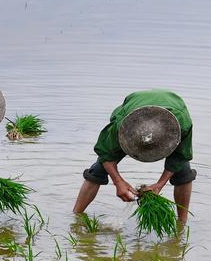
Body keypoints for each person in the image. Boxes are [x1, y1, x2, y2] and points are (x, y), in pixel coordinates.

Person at [72, 90, 194, 230]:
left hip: (174, 110)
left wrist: (159, 184)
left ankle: (182, 223)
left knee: (183, 172)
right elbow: (105, 152)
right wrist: (118, 182)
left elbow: (180, 156)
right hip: (133, 111)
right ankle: (76, 216)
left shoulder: (181, 126)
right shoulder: (121, 125)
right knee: (98, 169)